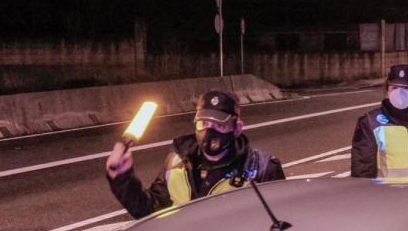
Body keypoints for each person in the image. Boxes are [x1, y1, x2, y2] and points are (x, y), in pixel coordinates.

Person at [106, 90, 285, 219]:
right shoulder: (176, 162)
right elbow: (150, 211)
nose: (209, 132)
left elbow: (282, 225)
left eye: (219, 126)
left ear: (236, 128)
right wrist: (122, 179)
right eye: (204, 123)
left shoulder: (261, 169)